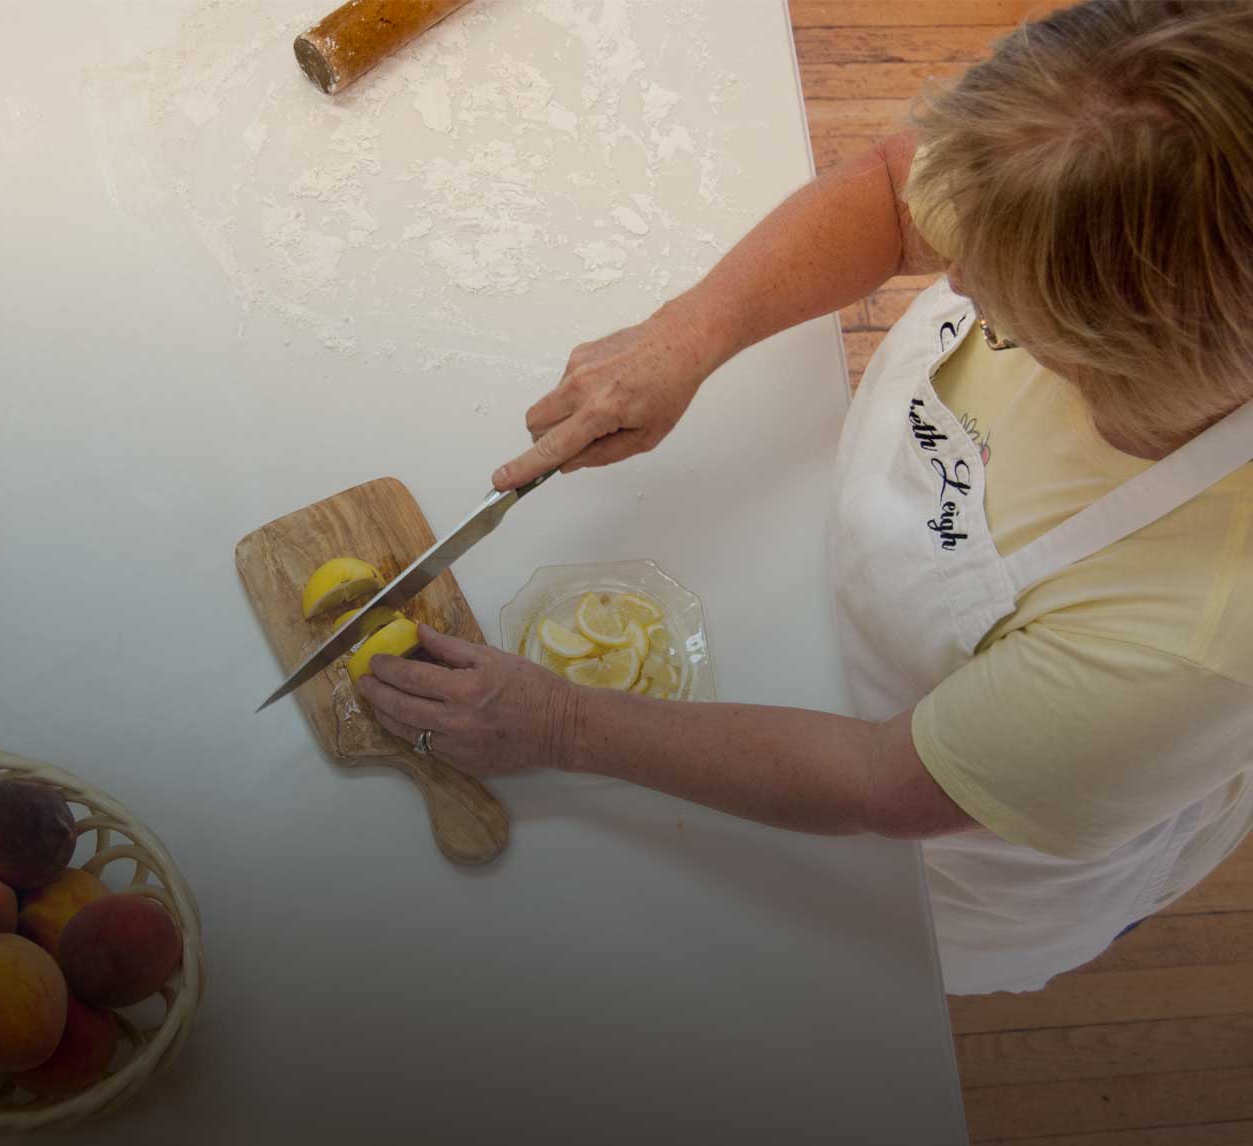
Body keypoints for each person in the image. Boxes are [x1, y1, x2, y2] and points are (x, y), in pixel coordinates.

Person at [356, 0, 1253, 995]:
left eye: (998, 300)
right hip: (846, 624)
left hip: (940, 836)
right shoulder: (1095, 153)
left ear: (1129, 354)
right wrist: (688, 334)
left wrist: (565, 726)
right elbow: (887, 191)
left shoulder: (1194, 643)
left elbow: (878, 783)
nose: (947, 269)